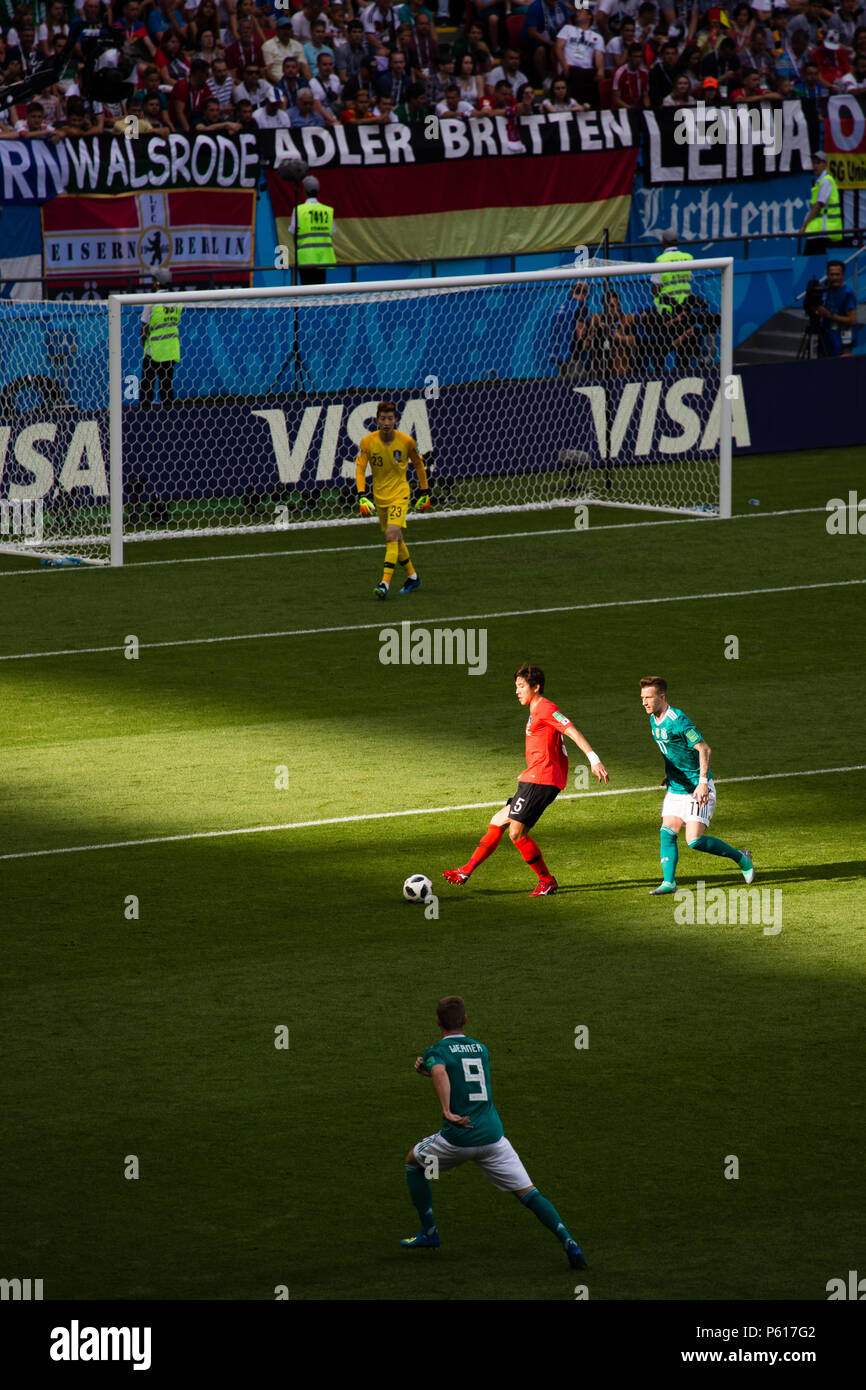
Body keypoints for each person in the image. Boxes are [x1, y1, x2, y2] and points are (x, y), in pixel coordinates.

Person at [401, 994, 589, 1270]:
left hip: (458, 1138)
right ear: (465, 1019)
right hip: (493, 1138)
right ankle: (569, 1241)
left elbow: (442, 1072)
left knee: (413, 1163)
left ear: (438, 1022)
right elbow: (459, 1076)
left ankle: (429, 1233)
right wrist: (430, 1070)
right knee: (530, 1194)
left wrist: (446, 1109)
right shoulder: (481, 1049)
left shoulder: (435, 1053)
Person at [442, 664, 609, 896]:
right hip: (534, 777)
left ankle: (546, 880)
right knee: (499, 819)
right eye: (516, 687)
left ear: (536, 687)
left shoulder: (546, 708)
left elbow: (571, 730)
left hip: (541, 779)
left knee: (516, 833)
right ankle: (466, 870)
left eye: (521, 686)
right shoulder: (535, 710)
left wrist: (594, 759)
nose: (517, 691)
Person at [639, 677, 754, 896]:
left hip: (696, 788)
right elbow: (674, 751)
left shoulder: (678, 720)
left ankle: (742, 858)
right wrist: (670, 773)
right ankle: (669, 882)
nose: (644, 702)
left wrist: (702, 784)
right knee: (667, 831)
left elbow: (704, 749)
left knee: (694, 840)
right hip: (676, 786)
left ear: (662, 697)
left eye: (648, 698)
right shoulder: (654, 719)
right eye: (642, 698)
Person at [355, 400, 428, 599]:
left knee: (390, 535)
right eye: (382, 418)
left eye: (390, 418)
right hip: (380, 497)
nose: (386, 422)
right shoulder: (368, 442)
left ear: (396, 420)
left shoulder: (406, 442)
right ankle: (413, 577)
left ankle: (384, 583)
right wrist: (362, 496)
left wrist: (424, 491)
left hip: (400, 494)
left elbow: (419, 466)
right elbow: (360, 469)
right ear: (377, 420)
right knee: (396, 538)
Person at [140, 267, 181, 407]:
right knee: (167, 384)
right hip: (171, 348)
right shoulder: (177, 299)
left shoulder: (152, 300)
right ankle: (169, 415)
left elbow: (144, 325)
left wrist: (143, 340)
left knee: (147, 384)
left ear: (156, 283)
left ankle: (143, 415)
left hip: (154, 349)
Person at [288, 174, 336, 284]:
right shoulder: (327, 211)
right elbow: (331, 233)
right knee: (320, 294)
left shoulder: (299, 210)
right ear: (318, 190)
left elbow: (293, 233)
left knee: (306, 293)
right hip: (323, 258)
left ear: (304, 191)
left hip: (305, 258)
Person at [798, 150, 843, 255]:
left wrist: (804, 225)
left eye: (818, 163)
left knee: (811, 260)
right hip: (818, 231)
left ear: (825, 164)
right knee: (814, 260)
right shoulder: (820, 182)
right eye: (813, 163)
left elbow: (818, 205)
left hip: (824, 230)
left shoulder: (826, 181)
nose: (815, 166)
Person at [814, 259, 857, 357]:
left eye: (837, 274)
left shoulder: (847, 293)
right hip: (827, 340)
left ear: (843, 275)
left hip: (842, 343)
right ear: (827, 276)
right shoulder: (829, 290)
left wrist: (828, 314)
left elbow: (851, 320)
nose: (834, 278)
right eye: (831, 274)